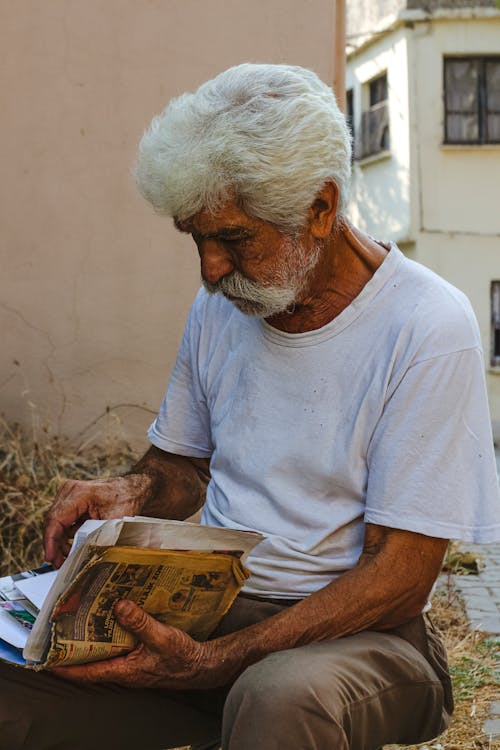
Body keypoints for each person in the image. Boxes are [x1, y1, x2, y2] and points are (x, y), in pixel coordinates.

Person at [1, 63, 499, 750]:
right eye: (196, 239)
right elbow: (181, 467)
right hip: (210, 615)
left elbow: (398, 580)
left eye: (233, 239)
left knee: (278, 698)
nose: (209, 270)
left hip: (365, 640)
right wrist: (130, 492)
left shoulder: (427, 325)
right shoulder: (224, 305)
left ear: (320, 209)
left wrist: (219, 661)